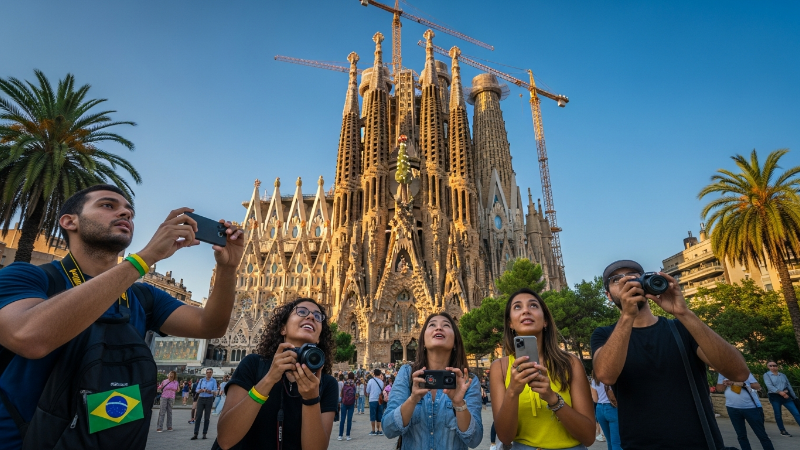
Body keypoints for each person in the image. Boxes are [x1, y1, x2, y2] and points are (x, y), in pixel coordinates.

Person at [0, 184, 243, 450]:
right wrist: (147, 257)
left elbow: (211, 325)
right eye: (108, 205)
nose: (125, 214)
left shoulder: (141, 296)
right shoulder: (28, 276)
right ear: (70, 221)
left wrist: (227, 269)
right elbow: (28, 336)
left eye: (130, 212)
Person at [591, 260, 750, 450]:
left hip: (700, 444)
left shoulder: (682, 328)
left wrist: (683, 313)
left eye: (634, 275)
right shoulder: (605, 336)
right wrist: (627, 316)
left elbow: (739, 374)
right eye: (617, 279)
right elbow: (606, 375)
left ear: (646, 282)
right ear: (609, 295)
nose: (628, 281)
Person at [215, 298, 337, 449]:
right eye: (302, 311)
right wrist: (268, 380)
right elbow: (225, 440)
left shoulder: (326, 384)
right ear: (283, 328)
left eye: (318, 316)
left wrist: (311, 398)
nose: (311, 316)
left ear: (319, 338)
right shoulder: (253, 365)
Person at [490, 288, 595, 450]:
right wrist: (512, 391)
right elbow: (505, 437)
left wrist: (552, 399)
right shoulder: (500, 368)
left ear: (545, 320)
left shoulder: (570, 363)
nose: (525, 310)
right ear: (510, 323)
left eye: (533, 306)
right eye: (517, 307)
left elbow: (588, 437)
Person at [383, 312, 483, 449]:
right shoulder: (407, 374)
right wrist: (413, 399)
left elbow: (474, 440)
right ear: (423, 341)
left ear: (455, 342)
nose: (439, 328)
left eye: (446, 325)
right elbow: (389, 429)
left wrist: (459, 404)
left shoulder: (466, 380)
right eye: (432, 325)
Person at [716, 372, 774, 450]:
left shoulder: (743, 371)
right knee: (741, 436)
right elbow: (719, 389)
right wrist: (725, 383)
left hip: (750, 408)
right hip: (732, 407)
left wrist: (735, 383)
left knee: (762, 435)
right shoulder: (722, 373)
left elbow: (757, 386)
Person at [763, 360, 800, 437]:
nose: (773, 367)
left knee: (796, 413)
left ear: (777, 366)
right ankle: (782, 431)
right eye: (771, 366)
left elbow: (788, 385)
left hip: (786, 396)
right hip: (775, 396)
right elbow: (769, 386)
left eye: (775, 365)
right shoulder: (767, 375)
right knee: (778, 414)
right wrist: (781, 392)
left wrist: (794, 396)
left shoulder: (782, 375)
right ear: (768, 367)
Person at [589, 370, 619, 450]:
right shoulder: (612, 379)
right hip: (612, 409)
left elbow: (595, 399)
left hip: (600, 409)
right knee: (616, 442)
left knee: (609, 441)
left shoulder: (594, 382)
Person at [191, 369, 218, 440]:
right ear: (206, 373)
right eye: (207, 372)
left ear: (212, 373)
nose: (208, 374)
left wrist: (211, 391)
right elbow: (196, 389)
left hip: (209, 399)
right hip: (201, 398)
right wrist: (200, 390)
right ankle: (195, 433)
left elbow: (215, 390)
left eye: (210, 372)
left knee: (207, 417)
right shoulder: (202, 380)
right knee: (198, 416)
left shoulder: (213, 381)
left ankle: (204, 433)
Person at [365, 369, 385, 436]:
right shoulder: (381, 382)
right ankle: (379, 429)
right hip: (379, 400)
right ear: (380, 374)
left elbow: (367, 391)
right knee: (379, 414)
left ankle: (373, 430)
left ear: (374, 374)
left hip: (372, 399)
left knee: (372, 415)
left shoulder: (370, 381)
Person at [338, 372, 357, 441]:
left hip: (344, 403)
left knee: (342, 419)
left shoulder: (344, 383)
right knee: (349, 420)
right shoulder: (354, 385)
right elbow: (356, 395)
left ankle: (340, 435)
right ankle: (348, 435)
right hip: (351, 404)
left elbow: (341, 393)